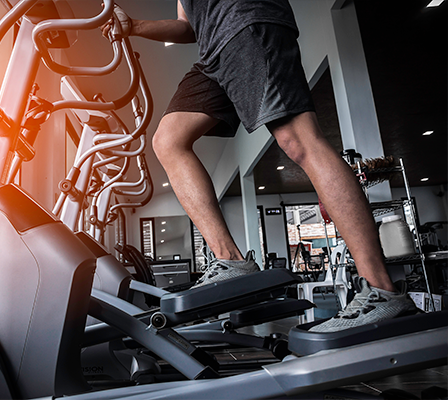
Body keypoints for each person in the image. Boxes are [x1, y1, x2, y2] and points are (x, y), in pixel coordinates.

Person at [102, 0, 417, 332]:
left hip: (246, 23)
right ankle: (230, 259)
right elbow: (187, 25)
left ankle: (381, 288)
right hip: (213, 50)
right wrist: (134, 26)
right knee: (169, 140)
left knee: (298, 140)